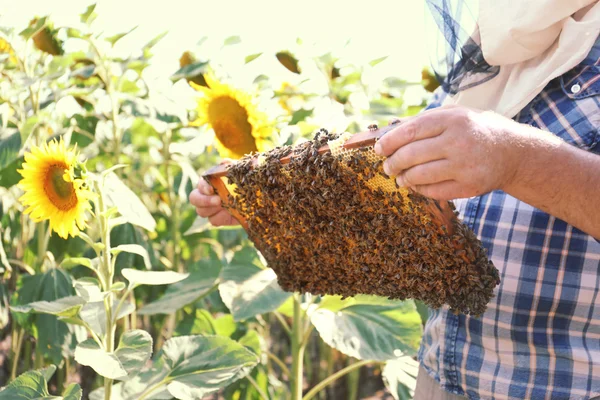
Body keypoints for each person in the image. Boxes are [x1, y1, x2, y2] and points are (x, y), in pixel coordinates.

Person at [190, 1, 600, 398]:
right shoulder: (501, 43)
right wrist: (267, 202)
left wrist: (517, 159)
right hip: (440, 377)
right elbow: (387, 186)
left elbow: (507, 158)